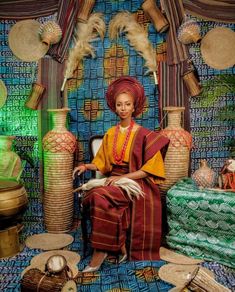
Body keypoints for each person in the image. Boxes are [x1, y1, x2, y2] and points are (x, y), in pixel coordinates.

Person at [73, 76, 169, 272]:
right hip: (112, 180)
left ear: (134, 107)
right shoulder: (110, 133)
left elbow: (150, 169)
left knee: (98, 195)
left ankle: (100, 252)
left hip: (134, 182)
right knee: (96, 196)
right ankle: (119, 246)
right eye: (119, 104)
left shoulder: (144, 134)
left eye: (127, 104)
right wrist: (86, 166)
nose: (123, 108)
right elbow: (102, 162)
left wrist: (123, 178)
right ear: (114, 108)